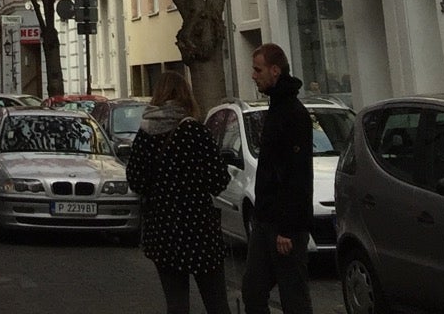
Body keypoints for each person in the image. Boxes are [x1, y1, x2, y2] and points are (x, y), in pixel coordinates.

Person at [126, 68, 230, 314]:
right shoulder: (195, 132)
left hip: (163, 231)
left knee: (177, 303)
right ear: (186, 95)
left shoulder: (146, 135)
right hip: (199, 230)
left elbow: (136, 181)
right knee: (216, 302)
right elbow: (219, 180)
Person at [241, 44, 314, 314]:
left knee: (293, 296)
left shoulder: (293, 114)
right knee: (253, 290)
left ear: (275, 70)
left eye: (257, 69)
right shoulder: (277, 108)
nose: (253, 75)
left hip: (285, 226)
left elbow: (297, 174)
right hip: (267, 220)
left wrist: (287, 227)